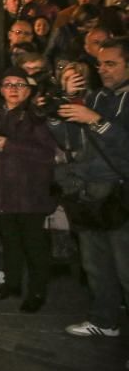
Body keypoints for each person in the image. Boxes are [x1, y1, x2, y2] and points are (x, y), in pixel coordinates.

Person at [49, 38, 129, 338]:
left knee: (126, 271)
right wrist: (64, 100)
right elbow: (65, 137)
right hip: (90, 194)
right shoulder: (96, 98)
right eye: (100, 64)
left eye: (111, 63)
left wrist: (97, 121)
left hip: (121, 196)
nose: (103, 69)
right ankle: (105, 320)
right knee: (96, 266)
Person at [0, 68, 56, 312]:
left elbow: (48, 153)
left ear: (29, 90)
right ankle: (12, 285)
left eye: (19, 84)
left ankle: (37, 291)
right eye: (8, 84)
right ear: (1, 89)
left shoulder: (38, 115)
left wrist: (9, 145)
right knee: (10, 242)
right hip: (0, 190)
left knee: (33, 245)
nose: (12, 89)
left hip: (29, 192)